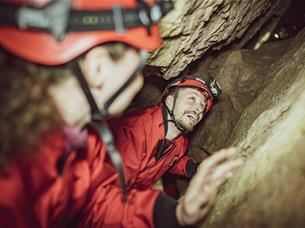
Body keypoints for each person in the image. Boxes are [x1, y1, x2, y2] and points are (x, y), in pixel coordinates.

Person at [0, 0, 243, 227]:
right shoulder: (13, 175)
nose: (140, 82)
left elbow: (97, 203)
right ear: (98, 68)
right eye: (140, 66)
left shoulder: (85, 143)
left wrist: (175, 213)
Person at [107, 74, 221, 198]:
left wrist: (189, 167)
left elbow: (169, 160)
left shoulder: (180, 141)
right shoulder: (134, 131)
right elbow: (112, 193)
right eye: (191, 98)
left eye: (202, 107)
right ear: (170, 100)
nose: (198, 109)